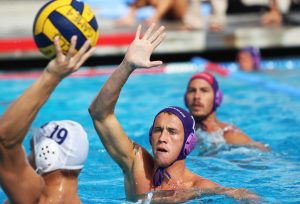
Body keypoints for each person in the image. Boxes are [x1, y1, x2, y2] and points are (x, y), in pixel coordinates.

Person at [89, 24, 259, 202]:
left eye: (172, 131)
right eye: (158, 130)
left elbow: (243, 194)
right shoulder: (137, 166)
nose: (162, 137)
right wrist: (127, 66)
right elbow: (100, 114)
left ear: (189, 142)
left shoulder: (198, 187)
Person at [0, 36, 94, 203]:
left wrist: (52, 76)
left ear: (46, 154)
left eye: (31, 150)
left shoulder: (36, 199)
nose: (27, 158)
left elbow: (4, 139)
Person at [184, 71, 269, 153]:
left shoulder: (228, 135)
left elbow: (263, 154)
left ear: (217, 97)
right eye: (192, 90)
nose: (196, 96)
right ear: (185, 98)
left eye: (204, 90)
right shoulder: (180, 130)